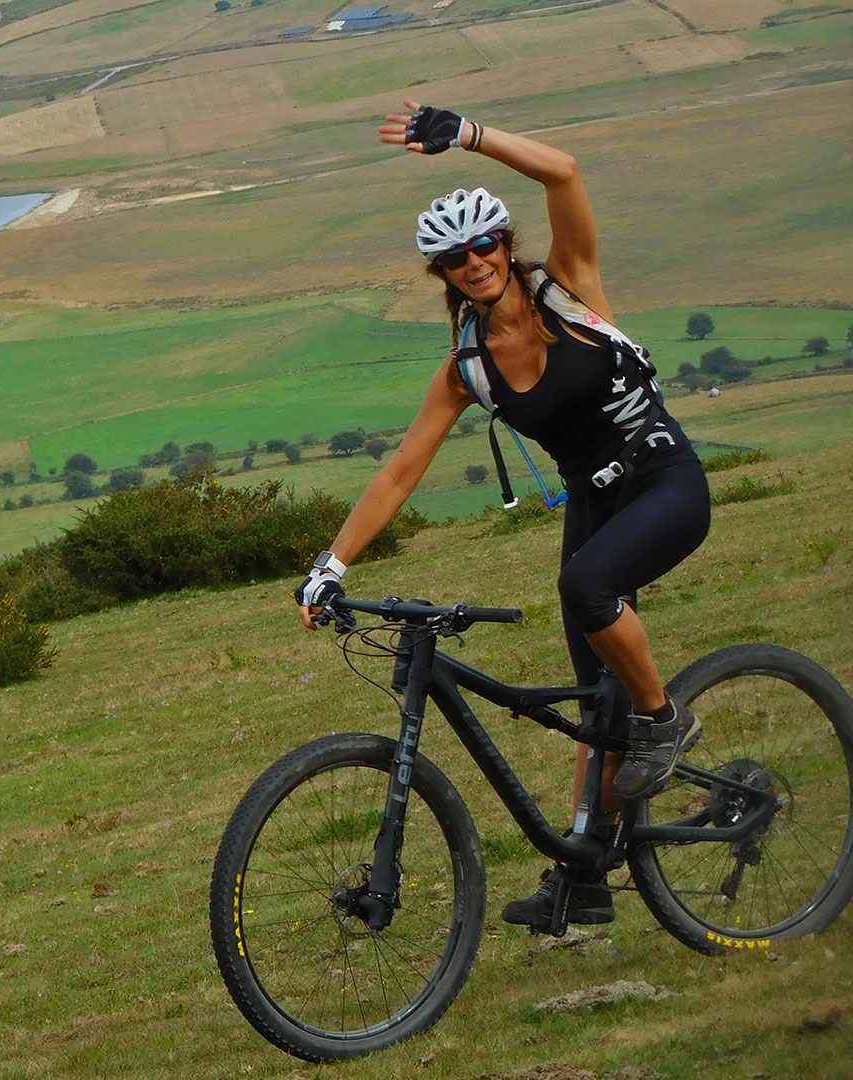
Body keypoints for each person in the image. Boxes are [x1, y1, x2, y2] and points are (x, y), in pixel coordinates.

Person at [293, 101, 710, 928]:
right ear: (442, 275)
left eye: (485, 244)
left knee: (591, 593)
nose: (474, 260)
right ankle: (587, 877)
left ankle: (665, 723)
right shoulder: (468, 368)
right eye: (455, 257)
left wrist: (469, 136)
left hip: (664, 480)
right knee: (595, 700)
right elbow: (403, 470)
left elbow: (563, 170)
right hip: (595, 502)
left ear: (506, 246)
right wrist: (330, 566)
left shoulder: (571, 288)